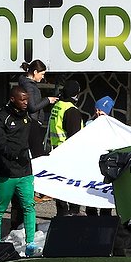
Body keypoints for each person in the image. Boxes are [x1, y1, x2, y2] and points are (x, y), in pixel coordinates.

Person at [0, 86, 36, 247]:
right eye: (22, 99)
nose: (25, 103)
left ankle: (30, 243)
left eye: (27, 99)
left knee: (29, 206)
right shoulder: (1, 118)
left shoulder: (27, 117)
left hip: (24, 171)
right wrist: (13, 155)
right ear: (12, 99)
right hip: (5, 172)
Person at [49, 80, 85, 216]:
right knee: (72, 185)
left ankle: (62, 213)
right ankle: (72, 214)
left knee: (60, 185)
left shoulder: (58, 106)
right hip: (69, 153)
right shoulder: (71, 110)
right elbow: (74, 136)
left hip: (57, 149)